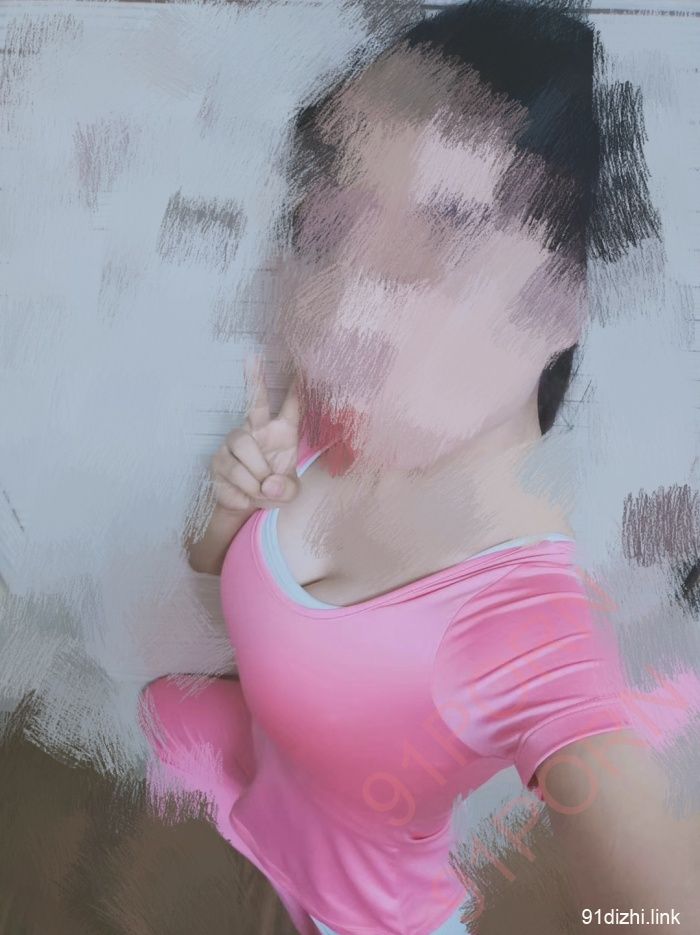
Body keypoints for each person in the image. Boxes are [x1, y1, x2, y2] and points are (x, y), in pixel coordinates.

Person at [138, 2, 698, 933]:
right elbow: (211, 567)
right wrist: (230, 504)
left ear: (571, 294)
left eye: (451, 229)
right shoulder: (317, 417)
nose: (351, 297)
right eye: (332, 225)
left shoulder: (532, 632)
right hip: (243, 836)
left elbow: (657, 903)